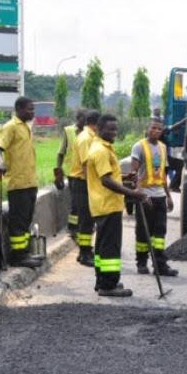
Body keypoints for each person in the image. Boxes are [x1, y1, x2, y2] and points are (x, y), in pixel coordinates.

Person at [87, 114, 145, 297]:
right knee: (110, 247)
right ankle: (108, 285)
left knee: (102, 245)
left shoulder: (103, 147)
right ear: (99, 128)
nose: (114, 132)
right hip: (107, 204)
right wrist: (132, 193)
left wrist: (126, 178)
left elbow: (109, 176)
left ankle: (102, 281)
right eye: (110, 129)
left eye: (115, 129)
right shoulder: (100, 151)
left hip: (104, 204)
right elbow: (105, 181)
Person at [0, 97, 43, 268]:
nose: (32, 112)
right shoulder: (10, 127)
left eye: (33, 109)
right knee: (18, 222)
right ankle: (17, 257)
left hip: (30, 182)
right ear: (19, 109)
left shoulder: (26, 127)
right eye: (30, 109)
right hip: (18, 183)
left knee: (26, 220)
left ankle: (24, 253)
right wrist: (0, 162)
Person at [130, 118, 178, 276]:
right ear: (147, 128)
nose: (156, 131)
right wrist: (139, 193)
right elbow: (134, 174)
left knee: (160, 233)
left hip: (159, 196)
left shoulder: (163, 147)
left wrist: (168, 196)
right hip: (145, 196)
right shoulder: (139, 146)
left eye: (159, 129)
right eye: (154, 128)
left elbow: (163, 174)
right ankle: (141, 262)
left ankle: (160, 265)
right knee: (143, 231)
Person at [72, 110, 100, 266]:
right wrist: (92, 186)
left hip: (85, 182)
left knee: (88, 219)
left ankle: (86, 250)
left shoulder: (90, 137)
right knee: (85, 220)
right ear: (95, 123)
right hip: (83, 182)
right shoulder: (85, 139)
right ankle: (84, 253)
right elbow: (85, 165)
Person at [55, 109, 87, 241]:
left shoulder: (89, 133)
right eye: (83, 120)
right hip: (72, 172)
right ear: (77, 118)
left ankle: (82, 225)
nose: (85, 123)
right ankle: (73, 227)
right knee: (75, 202)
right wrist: (58, 170)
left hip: (86, 173)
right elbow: (61, 152)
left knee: (84, 202)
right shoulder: (69, 131)